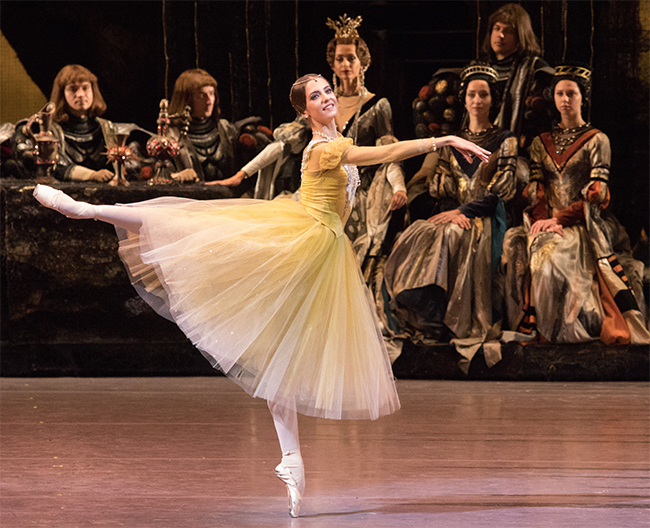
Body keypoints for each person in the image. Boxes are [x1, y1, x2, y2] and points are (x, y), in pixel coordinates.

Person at [32, 73, 490, 517]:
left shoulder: (333, 140)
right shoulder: (328, 146)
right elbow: (383, 152)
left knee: (282, 358)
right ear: (305, 110)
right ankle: (87, 208)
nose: (327, 97)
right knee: (191, 226)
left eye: (328, 90)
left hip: (321, 249)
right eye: (317, 95)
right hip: (300, 238)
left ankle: (291, 459)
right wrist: (442, 141)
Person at [216, 15, 406, 277]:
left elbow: (388, 151)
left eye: (351, 58)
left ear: (363, 62)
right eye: (340, 58)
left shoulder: (377, 105)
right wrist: (242, 173)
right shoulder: (321, 101)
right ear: (332, 63)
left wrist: (399, 186)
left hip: (360, 190)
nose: (345, 64)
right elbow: (283, 144)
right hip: (325, 191)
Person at [380, 65, 521, 370]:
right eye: (472, 94)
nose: (477, 100)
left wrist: (463, 211)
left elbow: (501, 190)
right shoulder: (452, 140)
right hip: (454, 214)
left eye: (483, 94)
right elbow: (438, 185)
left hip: (485, 217)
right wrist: (450, 211)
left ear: (492, 99)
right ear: (464, 99)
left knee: (453, 236)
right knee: (418, 233)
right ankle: (426, 312)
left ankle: (450, 318)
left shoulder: (505, 140)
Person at [501, 65, 649, 345]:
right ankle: (530, 324)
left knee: (551, 258)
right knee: (514, 245)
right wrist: (542, 219)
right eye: (560, 93)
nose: (565, 99)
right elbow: (537, 189)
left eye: (572, 93)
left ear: (583, 97)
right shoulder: (539, 143)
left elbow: (596, 193)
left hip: (584, 223)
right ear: (553, 98)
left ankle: (560, 330)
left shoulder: (597, 139)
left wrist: (560, 220)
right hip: (545, 221)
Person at [12, 64, 143, 182]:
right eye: (73, 89)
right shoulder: (47, 130)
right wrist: (92, 175)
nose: (80, 94)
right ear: (62, 94)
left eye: (85, 88)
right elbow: (51, 168)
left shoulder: (107, 128)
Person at [166, 68, 271, 190]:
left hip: (229, 201)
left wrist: (254, 140)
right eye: (201, 95)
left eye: (211, 93)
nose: (209, 100)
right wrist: (176, 176)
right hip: (191, 202)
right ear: (185, 99)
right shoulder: (170, 137)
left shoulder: (226, 130)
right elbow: (156, 175)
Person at [479, 3, 553, 147]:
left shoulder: (536, 70)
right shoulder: (478, 68)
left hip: (521, 149)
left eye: (508, 31)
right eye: (497, 28)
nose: (500, 35)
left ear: (521, 36)